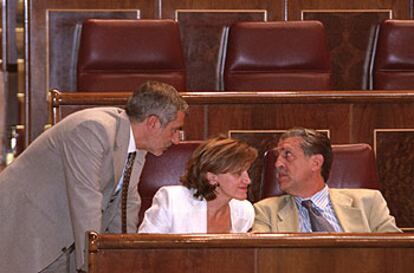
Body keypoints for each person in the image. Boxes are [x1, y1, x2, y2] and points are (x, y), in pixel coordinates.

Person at [0, 81, 188, 273]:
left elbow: (125, 209)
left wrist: (123, 260)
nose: (176, 139)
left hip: (60, 235)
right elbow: (86, 202)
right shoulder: (93, 129)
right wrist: (93, 266)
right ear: (153, 123)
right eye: (175, 129)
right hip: (28, 227)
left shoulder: (137, 147)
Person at [253, 127, 401, 233]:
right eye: (278, 156)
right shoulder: (265, 211)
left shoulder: (369, 202)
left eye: (287, 155)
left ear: (316, 163)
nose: (278, 164)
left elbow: (395, 254)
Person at [138, 136, 258, 234]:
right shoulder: (172, 201)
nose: (248, 180)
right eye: (237, 173)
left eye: (247, 171)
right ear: (212, 177)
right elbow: (146, 252)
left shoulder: (244, 210)